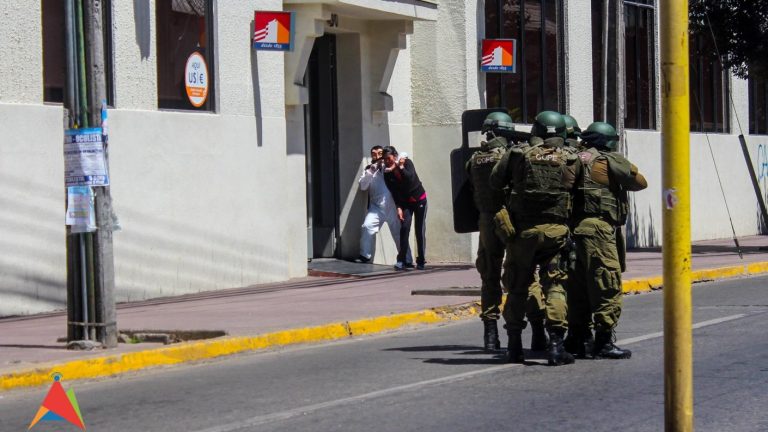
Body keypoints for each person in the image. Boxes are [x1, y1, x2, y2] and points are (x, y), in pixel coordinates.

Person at [490, 111, 581, 366]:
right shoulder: (571, 158)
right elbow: (578, 192)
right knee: (555, 286)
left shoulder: (518, 154)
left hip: (523, 234)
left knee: (518, 286)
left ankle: (514, 346)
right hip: (556, 233)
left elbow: (495, 181)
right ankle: (556, 347)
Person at [565, 121, 647, 359]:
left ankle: (577, 339)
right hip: (599, 230)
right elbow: (640, 182)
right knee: (606, 283)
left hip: (573, 229)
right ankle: (603, 342)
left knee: (578, 286)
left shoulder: (573, 158)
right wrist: (618, 160)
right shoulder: (605, 161)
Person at [466, 112, 513, 351]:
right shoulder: (511, 156)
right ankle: (532, 331)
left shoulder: (475, 159)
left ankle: (491, 335)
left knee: (489, 275)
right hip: (510, 219)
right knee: (520, 274)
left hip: (486, 219)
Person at [356, 145, 413, 266]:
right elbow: (362, 186)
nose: (377, 156)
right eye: (374, 154)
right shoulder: (369, 169)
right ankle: (365, 255)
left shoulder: (390, 166)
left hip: (393, 207)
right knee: (367, 226)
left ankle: (407, 259)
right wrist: (371, 171)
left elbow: (402, 157)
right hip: (376, 208)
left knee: (399, 234)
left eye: (380, 153)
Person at [382, 146, 428, 271]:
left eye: (389, 158)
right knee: (404, 228)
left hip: (419, 199)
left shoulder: (407, 163)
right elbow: (394, 192)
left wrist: (400, 167)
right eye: (385, 159)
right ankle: (401, 260)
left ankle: (421, 260)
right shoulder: (387, 174)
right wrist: (398, 207)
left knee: (419, 229)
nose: (387, 161)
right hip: (406, 203)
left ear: (395, 156)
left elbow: (410, 178)